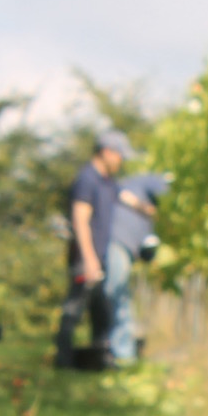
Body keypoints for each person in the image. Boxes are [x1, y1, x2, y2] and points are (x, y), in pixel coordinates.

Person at [61, 129, 135, 370]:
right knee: (75, 306)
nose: (121, 160)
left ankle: (98, 359)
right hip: (85, 255)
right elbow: (80, 219)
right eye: (119, 155)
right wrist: (89, 258)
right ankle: (63, 360)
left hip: (99, 254)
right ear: (106, 152)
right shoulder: (87, 179)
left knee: (100, 308)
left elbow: (123, 197)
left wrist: (148, 208)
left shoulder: (106, 181)